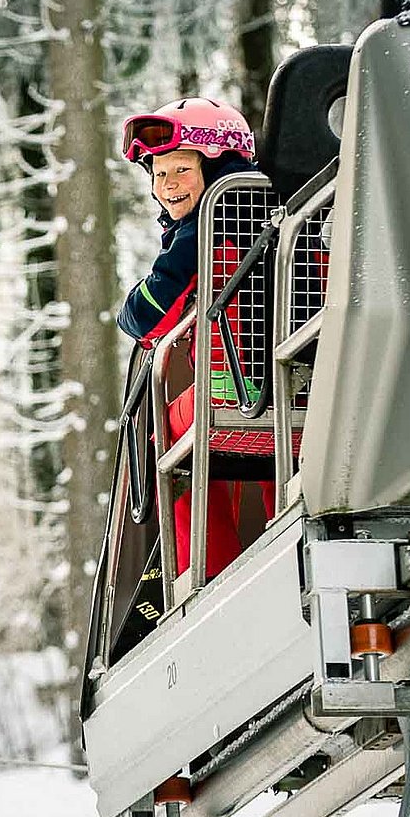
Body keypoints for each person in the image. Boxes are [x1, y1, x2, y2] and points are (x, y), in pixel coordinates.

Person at [117, 97, 262, 581]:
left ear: (219, 165)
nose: (168, 185)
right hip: (300, 376)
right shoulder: (275, 207)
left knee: (171, 438)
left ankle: (209, 569)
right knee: (274, 461)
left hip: (235, 387)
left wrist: (127, 313)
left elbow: (151, 311)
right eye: (158, 175)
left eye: (181, 168)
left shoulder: (203, 227)